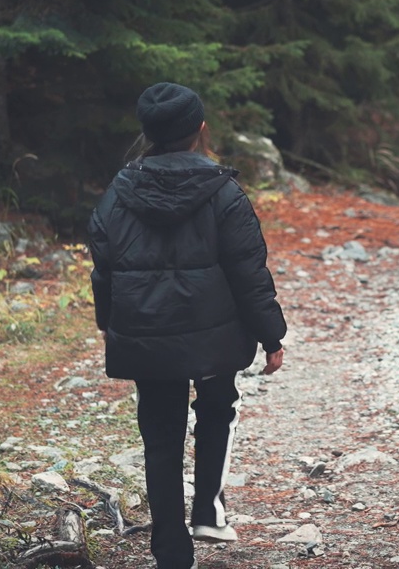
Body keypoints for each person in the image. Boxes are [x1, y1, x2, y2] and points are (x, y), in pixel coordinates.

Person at [88, 82, 287, 569]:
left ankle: (172, 553)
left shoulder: (117, 193)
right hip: (216, 333)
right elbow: (248, 270)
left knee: (159, 436)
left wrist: (108, 324)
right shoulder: (224, 192)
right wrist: (271, 335)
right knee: (218, 406)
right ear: (200, 129)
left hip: (148, 335)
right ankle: (207, 511)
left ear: (148, 133)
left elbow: (103, 268)